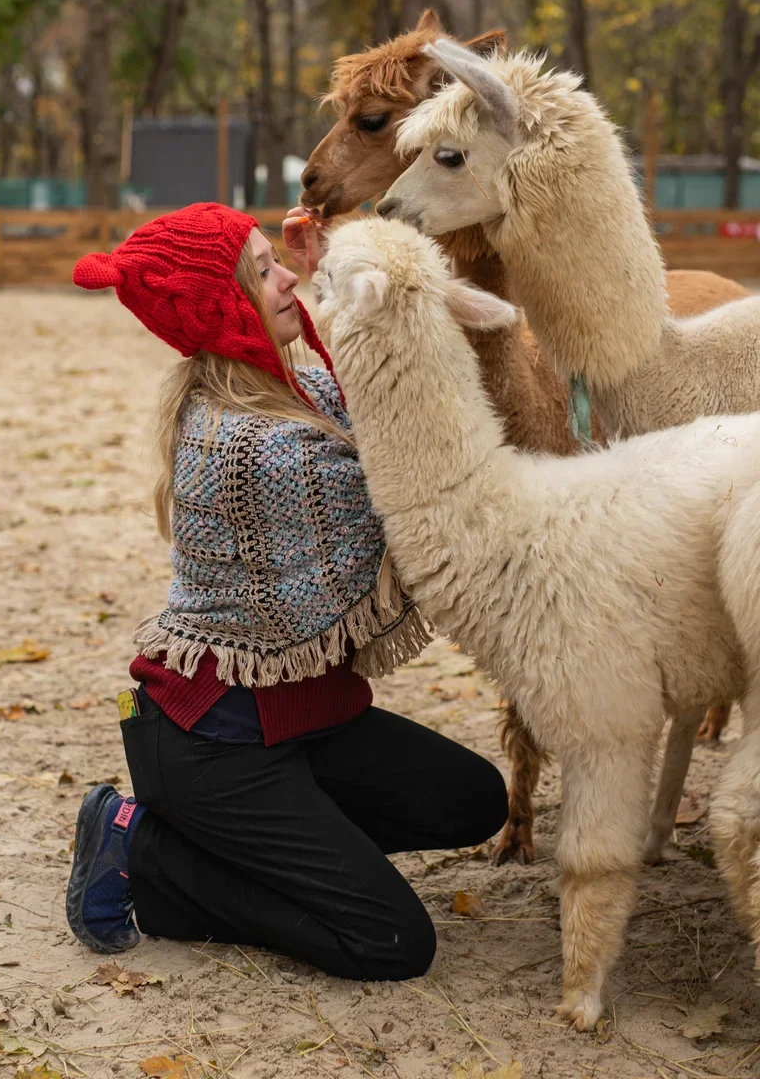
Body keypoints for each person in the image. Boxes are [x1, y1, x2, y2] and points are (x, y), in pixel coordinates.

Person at [65, 202, 508, 980]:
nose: (288, 281)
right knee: (392, 943)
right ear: (221, 302)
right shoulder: (265, 448)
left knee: (472, 801)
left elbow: (368, 401)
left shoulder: (284, 392)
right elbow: (411, 502)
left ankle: (259, 846)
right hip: (215, 744)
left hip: (301, 719)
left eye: (282, 262)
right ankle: (148, 857)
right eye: (263, 271)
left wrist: (334, 268)